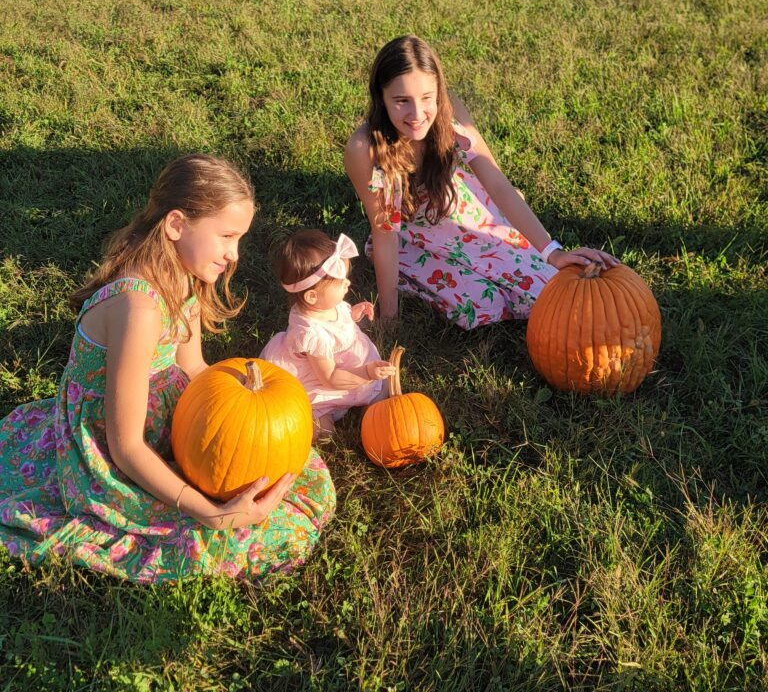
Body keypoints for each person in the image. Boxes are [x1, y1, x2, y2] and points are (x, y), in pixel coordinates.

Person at [0, 154, 335, 583]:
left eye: (240, 239)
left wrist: (252, 410)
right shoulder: (138, 308)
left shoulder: (185, 276)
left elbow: (193, 365)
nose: (234, 255)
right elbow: (126, 447)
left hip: (165, 421)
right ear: (176, 225)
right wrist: (209, 512)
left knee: (294, 473)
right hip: (112, 449)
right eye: (227, 236)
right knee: (226, 537)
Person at [344, 35, 619, 330]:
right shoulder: (364, 149)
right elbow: (386, 233)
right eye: (401, 101)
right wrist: (390, 319)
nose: (417, 114)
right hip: (408, 234)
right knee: (481, 304)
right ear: (381, 98)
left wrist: (553, 252)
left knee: (542, 284)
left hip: (456, 204)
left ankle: (511, 244)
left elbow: (496, 182)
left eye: (427, 98)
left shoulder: (450, 113)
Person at [261, 230, 395, 434]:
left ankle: (371, 414)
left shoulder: (323, 305)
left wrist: (353, 314)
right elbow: (330, 377)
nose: (348, 284)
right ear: (312, 297)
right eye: (341, 283)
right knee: (322, 430)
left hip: (345, 363)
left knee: (382, 388)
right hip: (321, 384)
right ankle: (322, 419)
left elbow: (337, 321)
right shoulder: (312, 335)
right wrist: (366, 373)